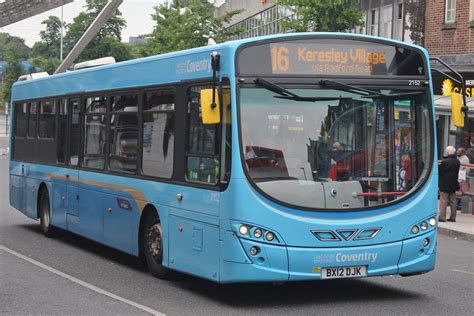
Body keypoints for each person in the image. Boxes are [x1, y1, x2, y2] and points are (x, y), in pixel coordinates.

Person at [438, 146, 460, 222]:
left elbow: (440, 172)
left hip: (444, 184)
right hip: (454, 183)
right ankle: (453, 217)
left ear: (447, 152)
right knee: (453, 201)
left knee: (443, 201)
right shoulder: (457, 161)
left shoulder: (445, 162)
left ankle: (442, 217)